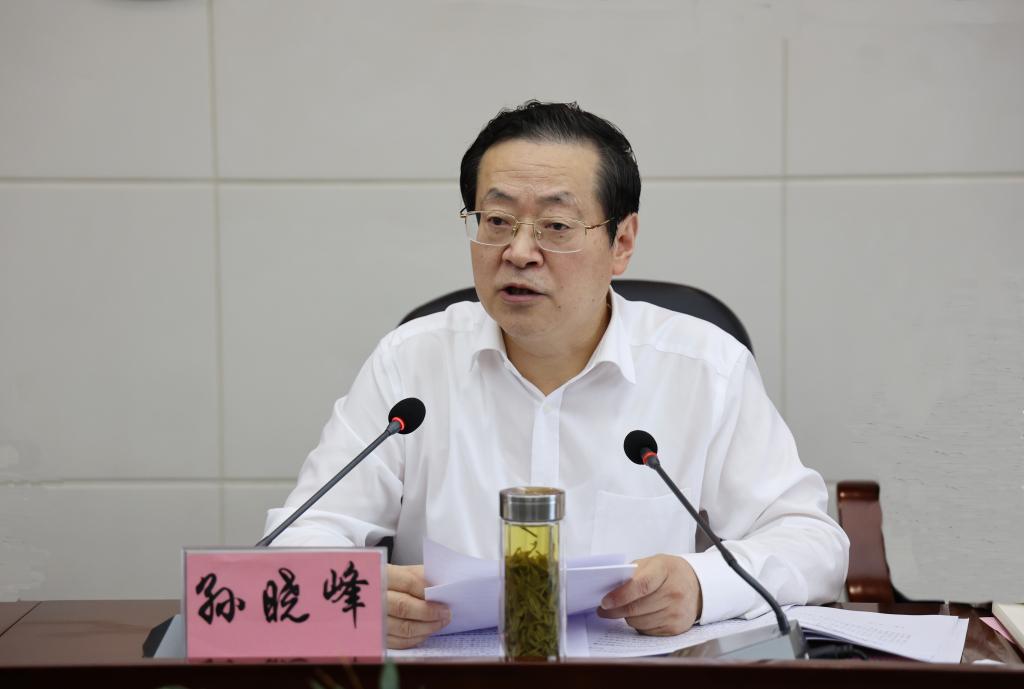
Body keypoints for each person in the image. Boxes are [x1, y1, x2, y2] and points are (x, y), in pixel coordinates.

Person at [265, 101, 849, 650]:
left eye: (556, 226)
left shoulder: (705, 369)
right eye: (497, 220)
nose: (519, 251)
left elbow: (812, 543)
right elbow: (300, 539)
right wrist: (358, 597)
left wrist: (700, 586)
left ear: (622, 242)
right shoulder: (410, 363)